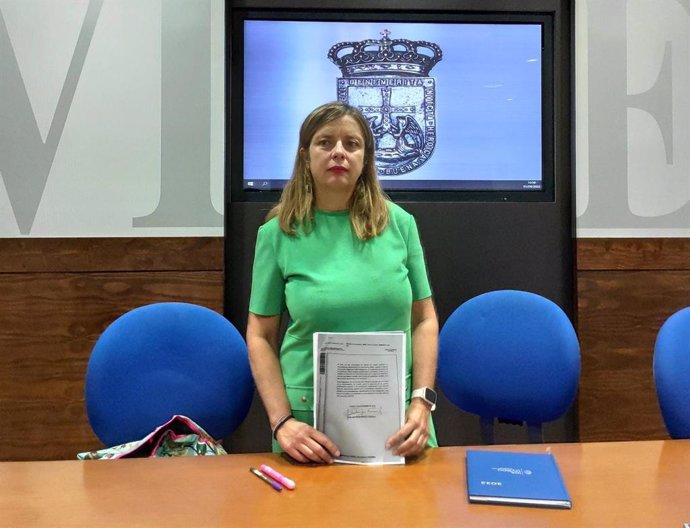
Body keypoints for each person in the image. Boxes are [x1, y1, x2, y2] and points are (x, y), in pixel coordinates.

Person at [246, 101, 439, 464]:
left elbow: (424, 319)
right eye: (325, 142)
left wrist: (422, 402)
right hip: (308, 428)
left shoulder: (401, 224)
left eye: (351, 144)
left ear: (366, 158)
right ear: (305, 156)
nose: (338, 152)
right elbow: (260, 335)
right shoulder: (277, 234)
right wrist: (281, 422)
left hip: (402, 422)